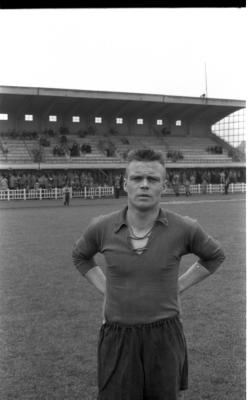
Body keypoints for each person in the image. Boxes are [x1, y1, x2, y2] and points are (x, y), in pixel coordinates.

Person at [72, 148, 225, 400]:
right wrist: (107, 288)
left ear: (163, 186)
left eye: (152, 179)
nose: (144, 185)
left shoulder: (185, 228)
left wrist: (179, 285)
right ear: (125, 184)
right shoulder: (102, 226)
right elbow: (80, 256)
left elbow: (215, 255)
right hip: (117, 336)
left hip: (164, 337)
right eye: (137, 178)